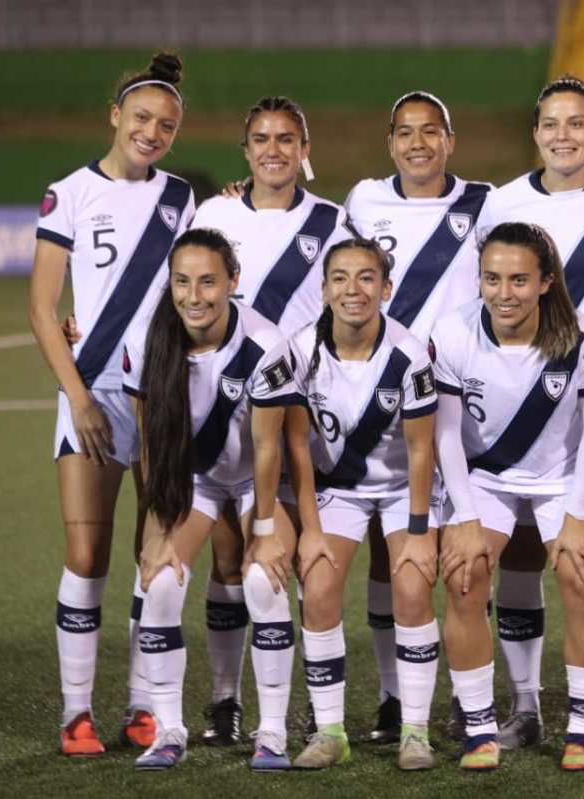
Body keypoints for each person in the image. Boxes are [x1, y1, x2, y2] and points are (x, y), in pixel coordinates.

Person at [474, 76, 584, 751]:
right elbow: (488, 285)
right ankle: (525, 706)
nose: (563, 135)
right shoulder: (503, 201)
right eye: (550, 123)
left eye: (576, 123)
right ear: (536, 132)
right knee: (523, 551)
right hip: (525, 404)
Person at [28, 51, 194, 757]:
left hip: (161, 395)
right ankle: (75, 714)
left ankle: (142, 706)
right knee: (86, 551)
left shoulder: (184, 199)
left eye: (166, 124)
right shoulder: (69, 193)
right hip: (90, 393)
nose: (152, 132)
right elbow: (41, 308)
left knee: (151, 553)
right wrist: (77, 395)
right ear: (115, 116)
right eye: (142, 118)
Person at [189, 95, 352, 746]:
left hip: (307, 414)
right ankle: (227, 700)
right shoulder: (215, 213)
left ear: (305, 149)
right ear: (245, 150)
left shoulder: (336, 221)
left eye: (287, 138)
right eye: (261, 138)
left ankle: (316, 705)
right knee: (229, 556)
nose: (274, 149)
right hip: (226, 405)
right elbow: (187, 289)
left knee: (302, 560)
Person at [432, 222, 584, 772]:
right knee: (464, 575)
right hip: (485, 478)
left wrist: (577, 514)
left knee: (582, 576)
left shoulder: (582, 335)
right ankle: (480, 728)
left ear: (545, 282)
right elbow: (445, 434)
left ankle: (583, 730)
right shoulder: (454, 332)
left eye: (517, 280)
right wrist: (463, 517)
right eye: (491, 278)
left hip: (563, 477)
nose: (503, 293)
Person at [125, 228, 305, 772]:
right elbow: (151, 446)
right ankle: (168, 729)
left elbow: (270, 448)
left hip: (259, 480)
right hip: (196, 481)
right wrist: (157, 526)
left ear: (233, 282)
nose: (194, 296)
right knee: (156, 581)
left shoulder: (267, 345)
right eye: (182, 282)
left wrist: (268, 530)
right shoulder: (146, 342)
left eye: (208, 281)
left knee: (260, 577)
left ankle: (270, 731)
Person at [344, 90, 492, 742]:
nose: (417, 143)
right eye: (404, 132)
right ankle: (393, 698)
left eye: (431, 131)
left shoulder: (489, 202)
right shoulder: (362, 201)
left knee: (465, 557)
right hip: (382, 407)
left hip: (465, 410)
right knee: (390, 556)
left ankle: (470, 696)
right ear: (390, 142)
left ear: (450, 140)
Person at [264, 238, 440, 771]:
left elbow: (419, 450)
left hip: (403, 490)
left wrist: (415, 531)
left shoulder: (410, 355)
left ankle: (415, 732)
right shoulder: (298, 350)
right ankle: (330, 730)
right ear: (323, 290)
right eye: (339, 278)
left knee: (410, 585)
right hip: (338, 488)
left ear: (386, 289)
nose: (352, 289)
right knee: (317, 585)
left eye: (366, 278)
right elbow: (296, 444)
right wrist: (311, 530)